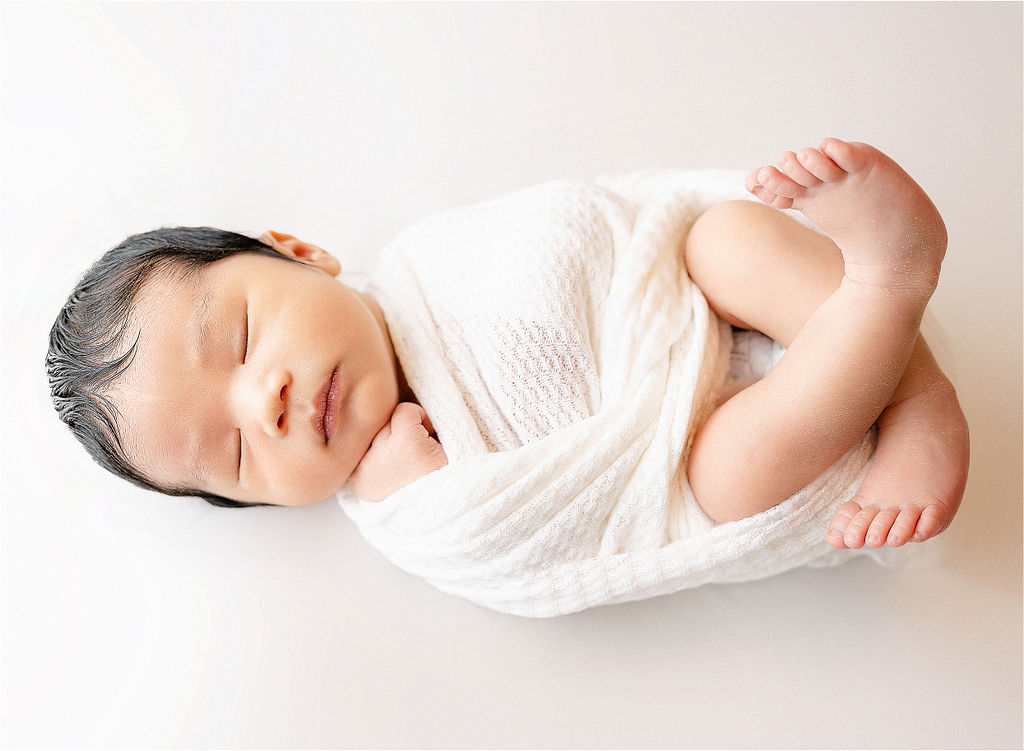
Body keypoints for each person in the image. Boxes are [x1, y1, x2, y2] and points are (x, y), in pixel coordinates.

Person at [46, 139, 969, 550]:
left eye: (242, 338)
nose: (267, 402)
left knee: (721, 233)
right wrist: (442, 498)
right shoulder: (406, 510)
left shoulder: (425, 257)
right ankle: (886, 298)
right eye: (238, 453)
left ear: (301, 253)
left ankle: (914, 380)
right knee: (723, 479)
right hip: (673, 444)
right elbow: (523, 544)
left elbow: (588, 226)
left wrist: (635, 270)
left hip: (664, 301)